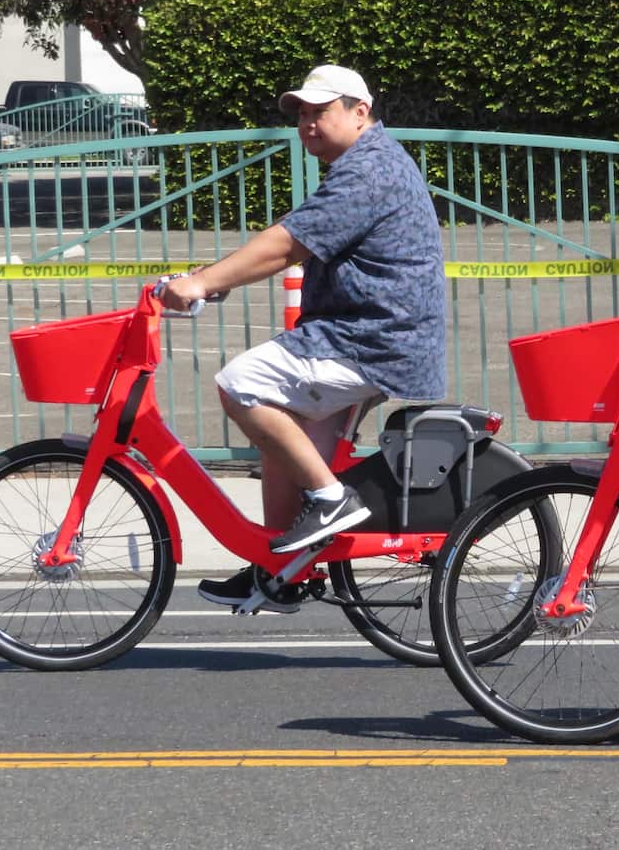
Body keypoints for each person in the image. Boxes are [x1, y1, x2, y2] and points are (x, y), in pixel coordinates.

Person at [159, 64, 446, 611]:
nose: (308, 123)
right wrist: (212, 280)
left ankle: (332, 500)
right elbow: (295, 238)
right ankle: (279, 571)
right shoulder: (362, 164)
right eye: (302, 114)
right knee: (280, 435)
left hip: (371, 340)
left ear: (360, 112)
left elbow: (287, 244)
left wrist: (202, 283)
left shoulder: (369, 170)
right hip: (366, 334)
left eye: (321, 111)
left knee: (241, 382)